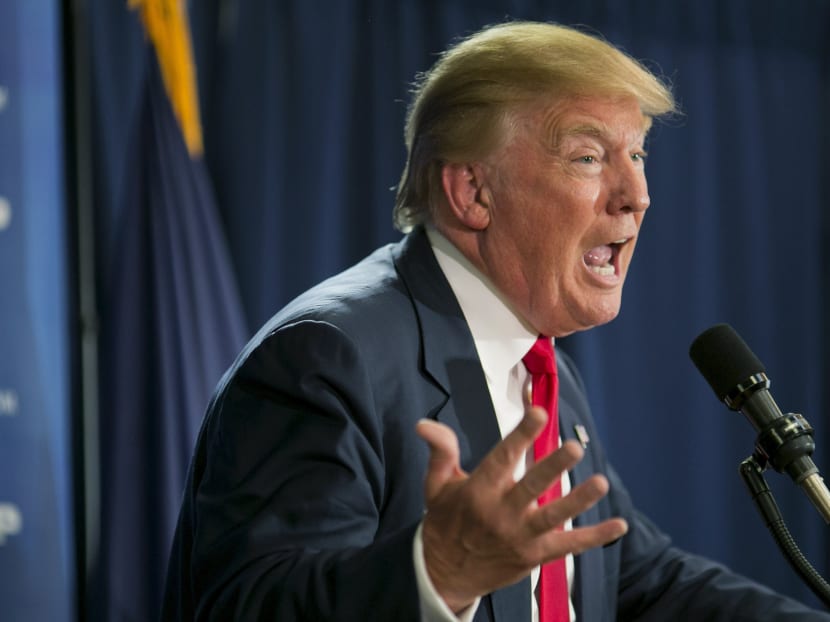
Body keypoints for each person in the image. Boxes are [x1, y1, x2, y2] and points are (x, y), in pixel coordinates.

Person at [161, 21, 830, 621]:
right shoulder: (326, 360)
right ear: (472, 192)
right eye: (590, 157)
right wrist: (435, 574)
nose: (638, 196)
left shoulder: (542, 369)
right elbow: (242, 605)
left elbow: (633, 575)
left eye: (639, 155)